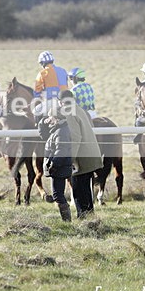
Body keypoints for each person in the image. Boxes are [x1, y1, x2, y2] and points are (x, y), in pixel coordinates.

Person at [59, 90, 103, 218]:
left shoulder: (69, 112)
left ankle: (83, 217)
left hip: (81, 157)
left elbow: (75, 136)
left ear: (61, 102)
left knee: (78, 189)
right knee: (86, 188)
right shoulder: (79, 109)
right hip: (91, 154)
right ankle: (90, 216)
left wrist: (71, 158)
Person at [37, 99, 74, 221]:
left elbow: (61, 151)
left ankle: (67, 220)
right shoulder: (57, 130)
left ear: (57, 119)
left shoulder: (60, 132)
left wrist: (53, 165)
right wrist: (42, 122)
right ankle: (66, 220)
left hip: (59, 168)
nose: (49, 120)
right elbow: (43, 135)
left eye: (50, 117)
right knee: (58, 194)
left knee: (58, 195)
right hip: (59, 167)